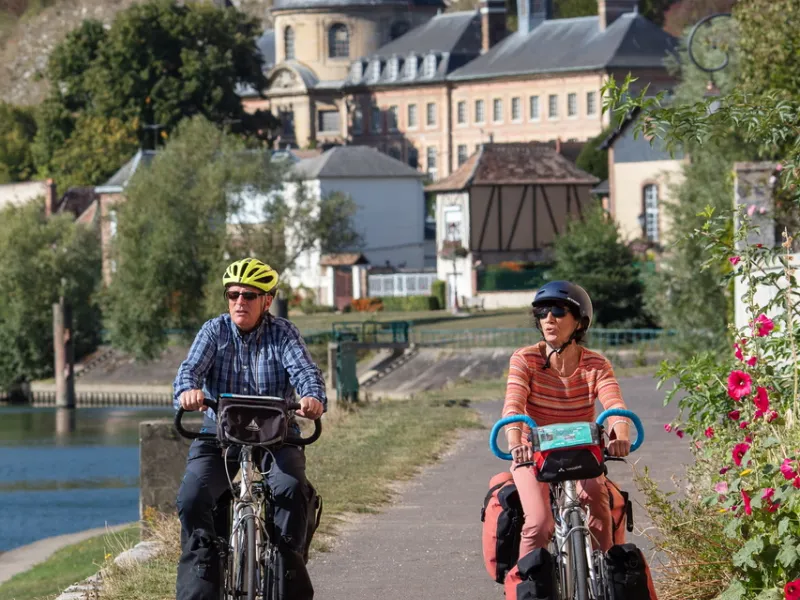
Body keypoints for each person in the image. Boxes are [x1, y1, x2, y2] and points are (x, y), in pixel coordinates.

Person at [173, 257, 326, 600]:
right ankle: (204, 570)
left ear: (266, 300)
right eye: (233, 294)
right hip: (220, 433)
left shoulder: (283, 333)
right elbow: (189, 370)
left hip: (277, 433)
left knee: (291, 489)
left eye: (249, 295)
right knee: (192, 497)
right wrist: (188, 392)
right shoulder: (214, 331)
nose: (239, 301)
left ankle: (288, 568)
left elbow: (306, 374)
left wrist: (312, 398)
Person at [502, 280, 631, 559]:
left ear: (579, 323)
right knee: (539, 523)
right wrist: (515, 443)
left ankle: (604, 578)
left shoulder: (596, 364)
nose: (549, 318)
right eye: (542, 312)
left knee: (599, 512)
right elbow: (513, 405)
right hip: (533, 453)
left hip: (581, 452)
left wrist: (620, 436)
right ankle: (530, 587)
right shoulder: (525, 359)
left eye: (559, 311)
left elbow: (615, 406)